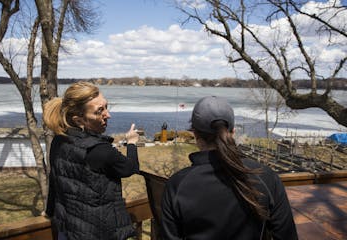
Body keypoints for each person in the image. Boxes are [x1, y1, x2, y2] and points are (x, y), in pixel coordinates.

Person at [161, 96, 298, 240]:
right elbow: (286, 235)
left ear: (195, 134)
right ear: (232, 132)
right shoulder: (265, 177)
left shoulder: (178, 185)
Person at [43, 81, 140, 240]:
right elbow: (129, 168)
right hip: (98, 233)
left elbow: (55, 180)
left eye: (106, 107)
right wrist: (131, 142)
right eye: (99, 111)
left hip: (66, 230)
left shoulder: (59, 141)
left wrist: (48, 211)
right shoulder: (100, 150)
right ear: (79, 120)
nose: (108, 115)